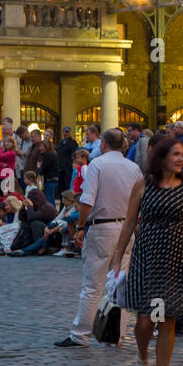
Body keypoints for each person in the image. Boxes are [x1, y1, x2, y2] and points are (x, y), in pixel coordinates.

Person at [109, 137, 183, 366]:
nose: (181, 158)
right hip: (148, 257)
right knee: (146, 321)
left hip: (177, 258)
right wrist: (117, 257)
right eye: (176, 154)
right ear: (162, 157)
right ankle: (143, 356)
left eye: (182, 154)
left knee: (168, 320)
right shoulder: (143, 185)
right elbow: (129, 223)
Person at [55, 128, 144, 349]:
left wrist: (81, 226)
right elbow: (141, 201)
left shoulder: (97, 165)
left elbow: (87, 200)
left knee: (92, 285)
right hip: (126, 226)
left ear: (103, 144)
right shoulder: (134, 168)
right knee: (119, 283)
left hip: (102, 227)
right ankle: (116, 334)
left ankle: (80, 334)